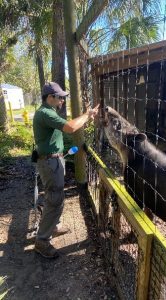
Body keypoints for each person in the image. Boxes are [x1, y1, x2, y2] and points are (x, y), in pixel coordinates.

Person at [33, 82, 99, 258]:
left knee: (56, 195)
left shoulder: (49, 112)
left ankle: (54, 225)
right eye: (60, 97)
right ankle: (42, 241)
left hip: (54, 160)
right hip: (49, 162)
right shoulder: (45, 113)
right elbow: (70, 127)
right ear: (50, 97)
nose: (62, 100)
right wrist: (87, 115)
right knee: (54, 198)